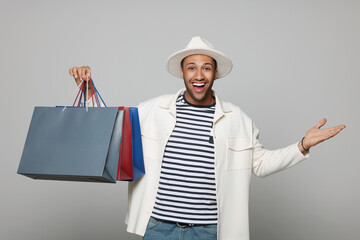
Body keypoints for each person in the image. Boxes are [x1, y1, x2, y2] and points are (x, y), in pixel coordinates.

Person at [69, 37, 345, 240]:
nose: (198, 76)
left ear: (215, 74)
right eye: (191, 68)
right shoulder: (152, 110)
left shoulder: (237, 119)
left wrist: (302, 145)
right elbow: (112, 133)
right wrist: (90, 90)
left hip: (209, 231)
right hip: (158, 227)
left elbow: (261, 164)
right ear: (182, 72)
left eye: (206, 68)